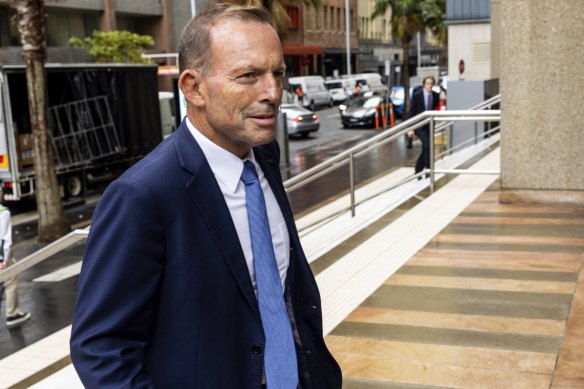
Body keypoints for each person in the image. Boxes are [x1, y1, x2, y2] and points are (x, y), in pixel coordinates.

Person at [70, 4, 342, 388]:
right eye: (248, 76)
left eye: (277, 73)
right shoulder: (143, 195)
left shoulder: (264, 154)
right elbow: (101, 348)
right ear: (193, 88)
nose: (273, 92)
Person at [0, 189, 31, 329]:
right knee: (11, 281)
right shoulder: (3, 212)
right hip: (2, 256)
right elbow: (4, 238)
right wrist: (3, 259)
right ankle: (12, 314)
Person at [407, 75, 440, 178]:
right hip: (419, 126)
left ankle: (418, 169)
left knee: (428, 147)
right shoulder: (417, 95)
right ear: (424, 84)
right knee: (427, 145)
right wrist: (410, 128)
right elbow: (412, 111)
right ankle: (428, 171)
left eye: (431, 84)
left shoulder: (435, 95)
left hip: (429, 125)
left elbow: (436, 108)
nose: (430, 86)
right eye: (428, 83)